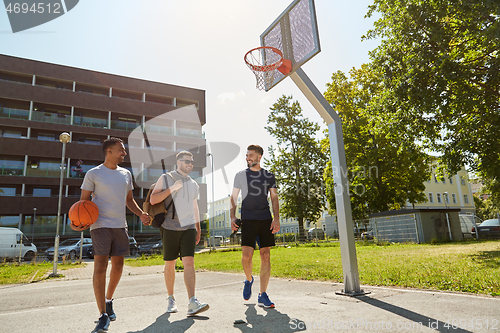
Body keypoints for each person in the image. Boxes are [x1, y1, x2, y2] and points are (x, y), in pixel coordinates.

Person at [71, 137, 149, 333]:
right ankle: (102, 315)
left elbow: (129, 200)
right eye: (121, 150)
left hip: (120, 225)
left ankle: (108, 300)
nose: (124, 153)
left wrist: (141, 214)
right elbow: (83, 202)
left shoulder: (126, 174)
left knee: (119, 265)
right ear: (109, 152)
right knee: (100, 266)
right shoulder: (93, 173)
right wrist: (79, 222)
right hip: (100, 225)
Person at [149, 150, 209, 316]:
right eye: (186, 161)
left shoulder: (193, 184)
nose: (189, 164)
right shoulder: (166, 178)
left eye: (191, 162)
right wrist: (172, 189)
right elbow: (153, 199)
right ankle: (171, 298)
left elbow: (195, 206)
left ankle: (192, 301)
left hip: (188, 227)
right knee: (170, 262)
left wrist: (198, 227)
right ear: (178, 162)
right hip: (169, 227)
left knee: (189, 262)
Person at [230, 144, 280, 308]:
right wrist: (232, 217)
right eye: (246, 155)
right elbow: (234, 197)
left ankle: (262, 294)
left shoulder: (268, 176)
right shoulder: (240, 176)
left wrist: (276, 218)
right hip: (248, 220)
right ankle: (249, 279)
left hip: (265, 219)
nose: (247, 158)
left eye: (250, 155)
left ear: (259, 157)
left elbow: (274, 198)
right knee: (247, 257)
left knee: (265, 255)